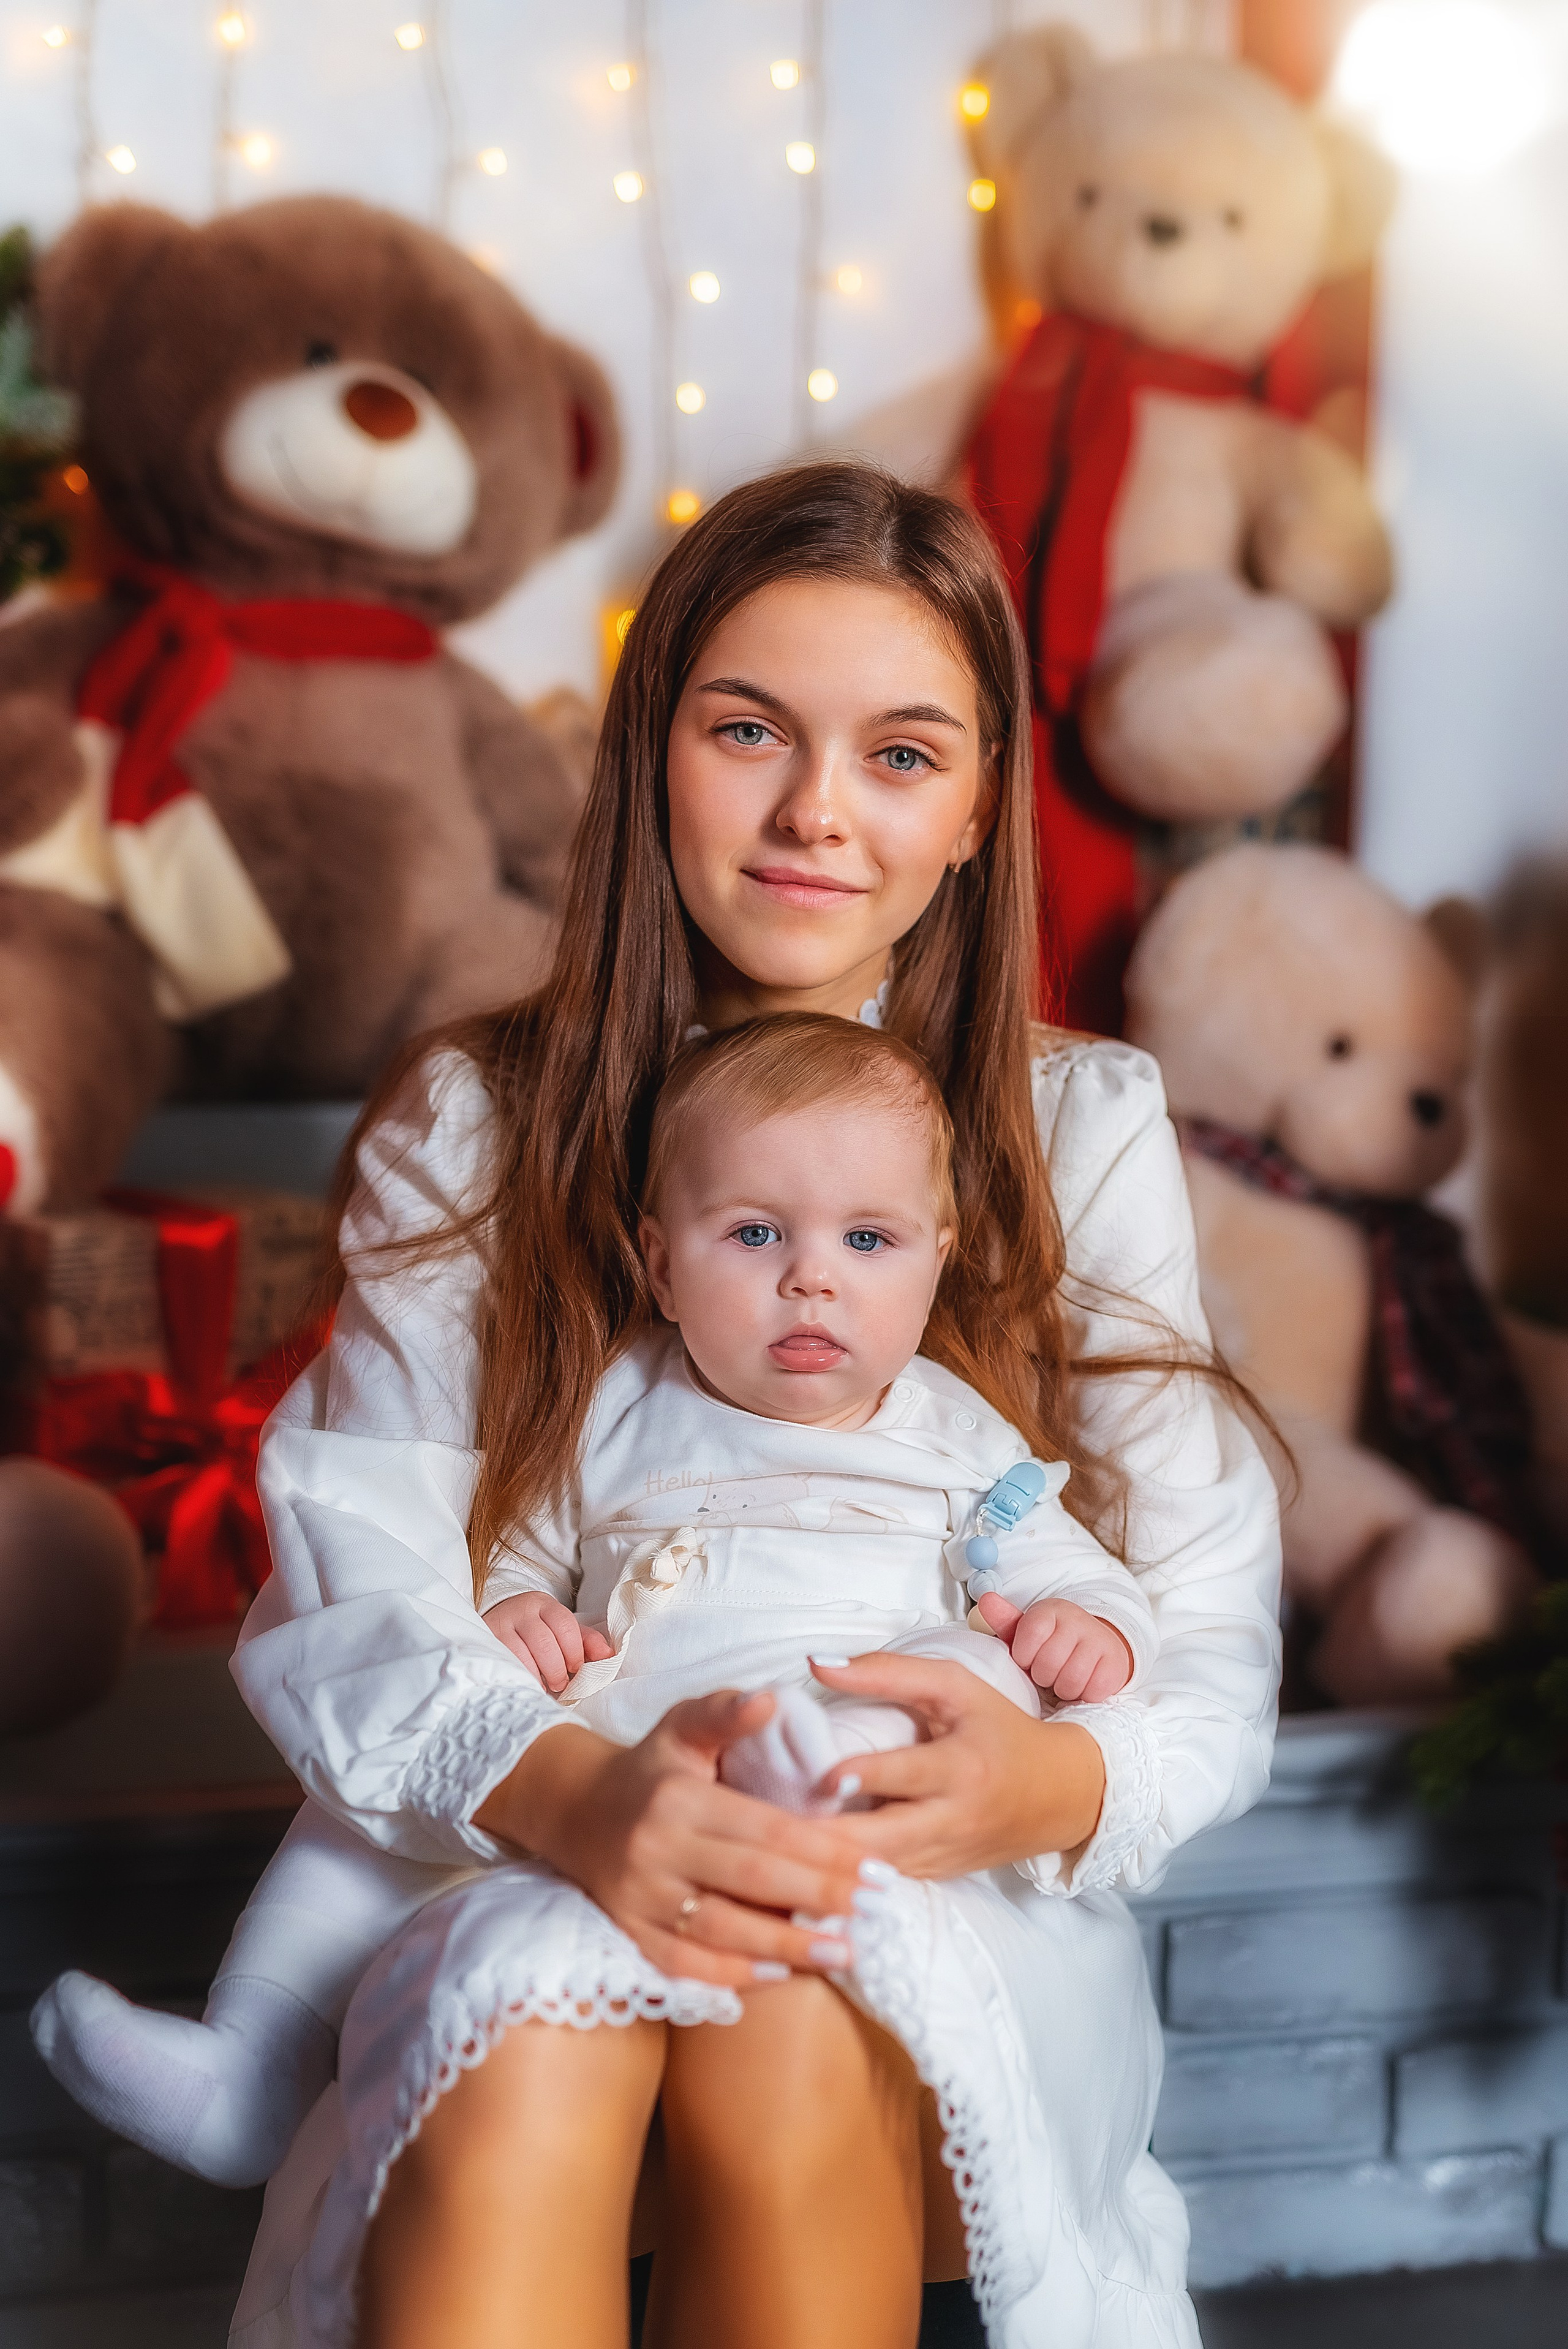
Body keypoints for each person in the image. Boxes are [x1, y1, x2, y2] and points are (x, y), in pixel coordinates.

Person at [178, 460, 1275, 2349]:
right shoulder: (482, 1122)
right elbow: (359, 1577)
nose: (814, 815)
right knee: (526, 2022)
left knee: (783, 2009)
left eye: (903, 755)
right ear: (649, 747)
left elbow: (1202, 1632)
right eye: (749, 729)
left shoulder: (1076, 1129)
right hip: (552, 1828)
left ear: (978, 807)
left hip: (956, 1884)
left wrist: (1053, 1775)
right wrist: (580, 1797)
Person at [33, 1014, 1158, 2196]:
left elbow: (1063, 1565)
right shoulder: (615, 1406)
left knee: (962, 1670)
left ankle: (804, 1783)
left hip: (843, 1733)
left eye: (869, 1238)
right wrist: (518, 1609)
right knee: (377, 1789)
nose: (811, 1274)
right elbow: (522, 1544)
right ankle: (249, 2064)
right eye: (755, 1232)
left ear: (936, 1258)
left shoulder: (960, 1437)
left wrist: (1088, 1621)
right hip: (621, 1747)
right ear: (662, 1262)